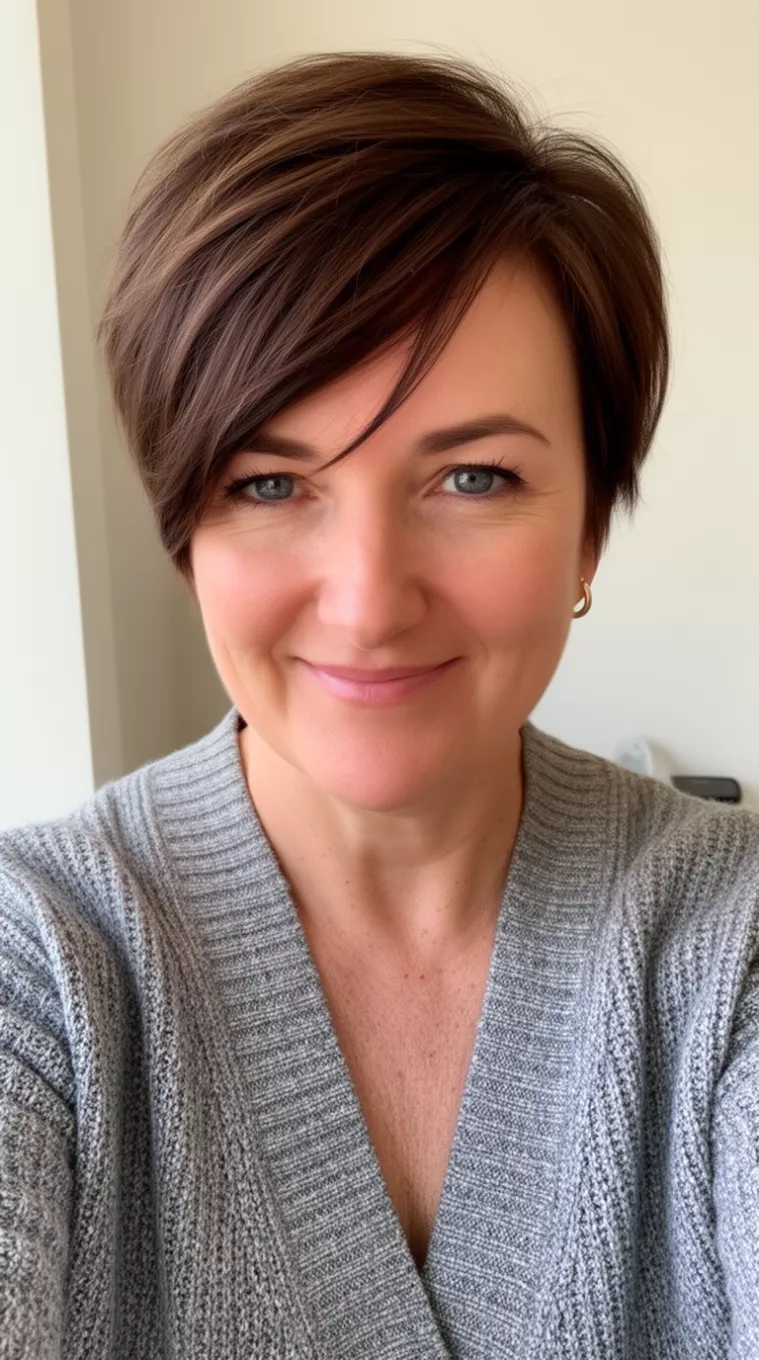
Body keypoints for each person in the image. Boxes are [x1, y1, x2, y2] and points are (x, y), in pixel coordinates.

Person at [1, 50, 757, 1360]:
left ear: (587, 527)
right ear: (185, 526)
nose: (363, 602)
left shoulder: (727, 944)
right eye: (268, 483)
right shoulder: (46, 972)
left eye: (470, 477)